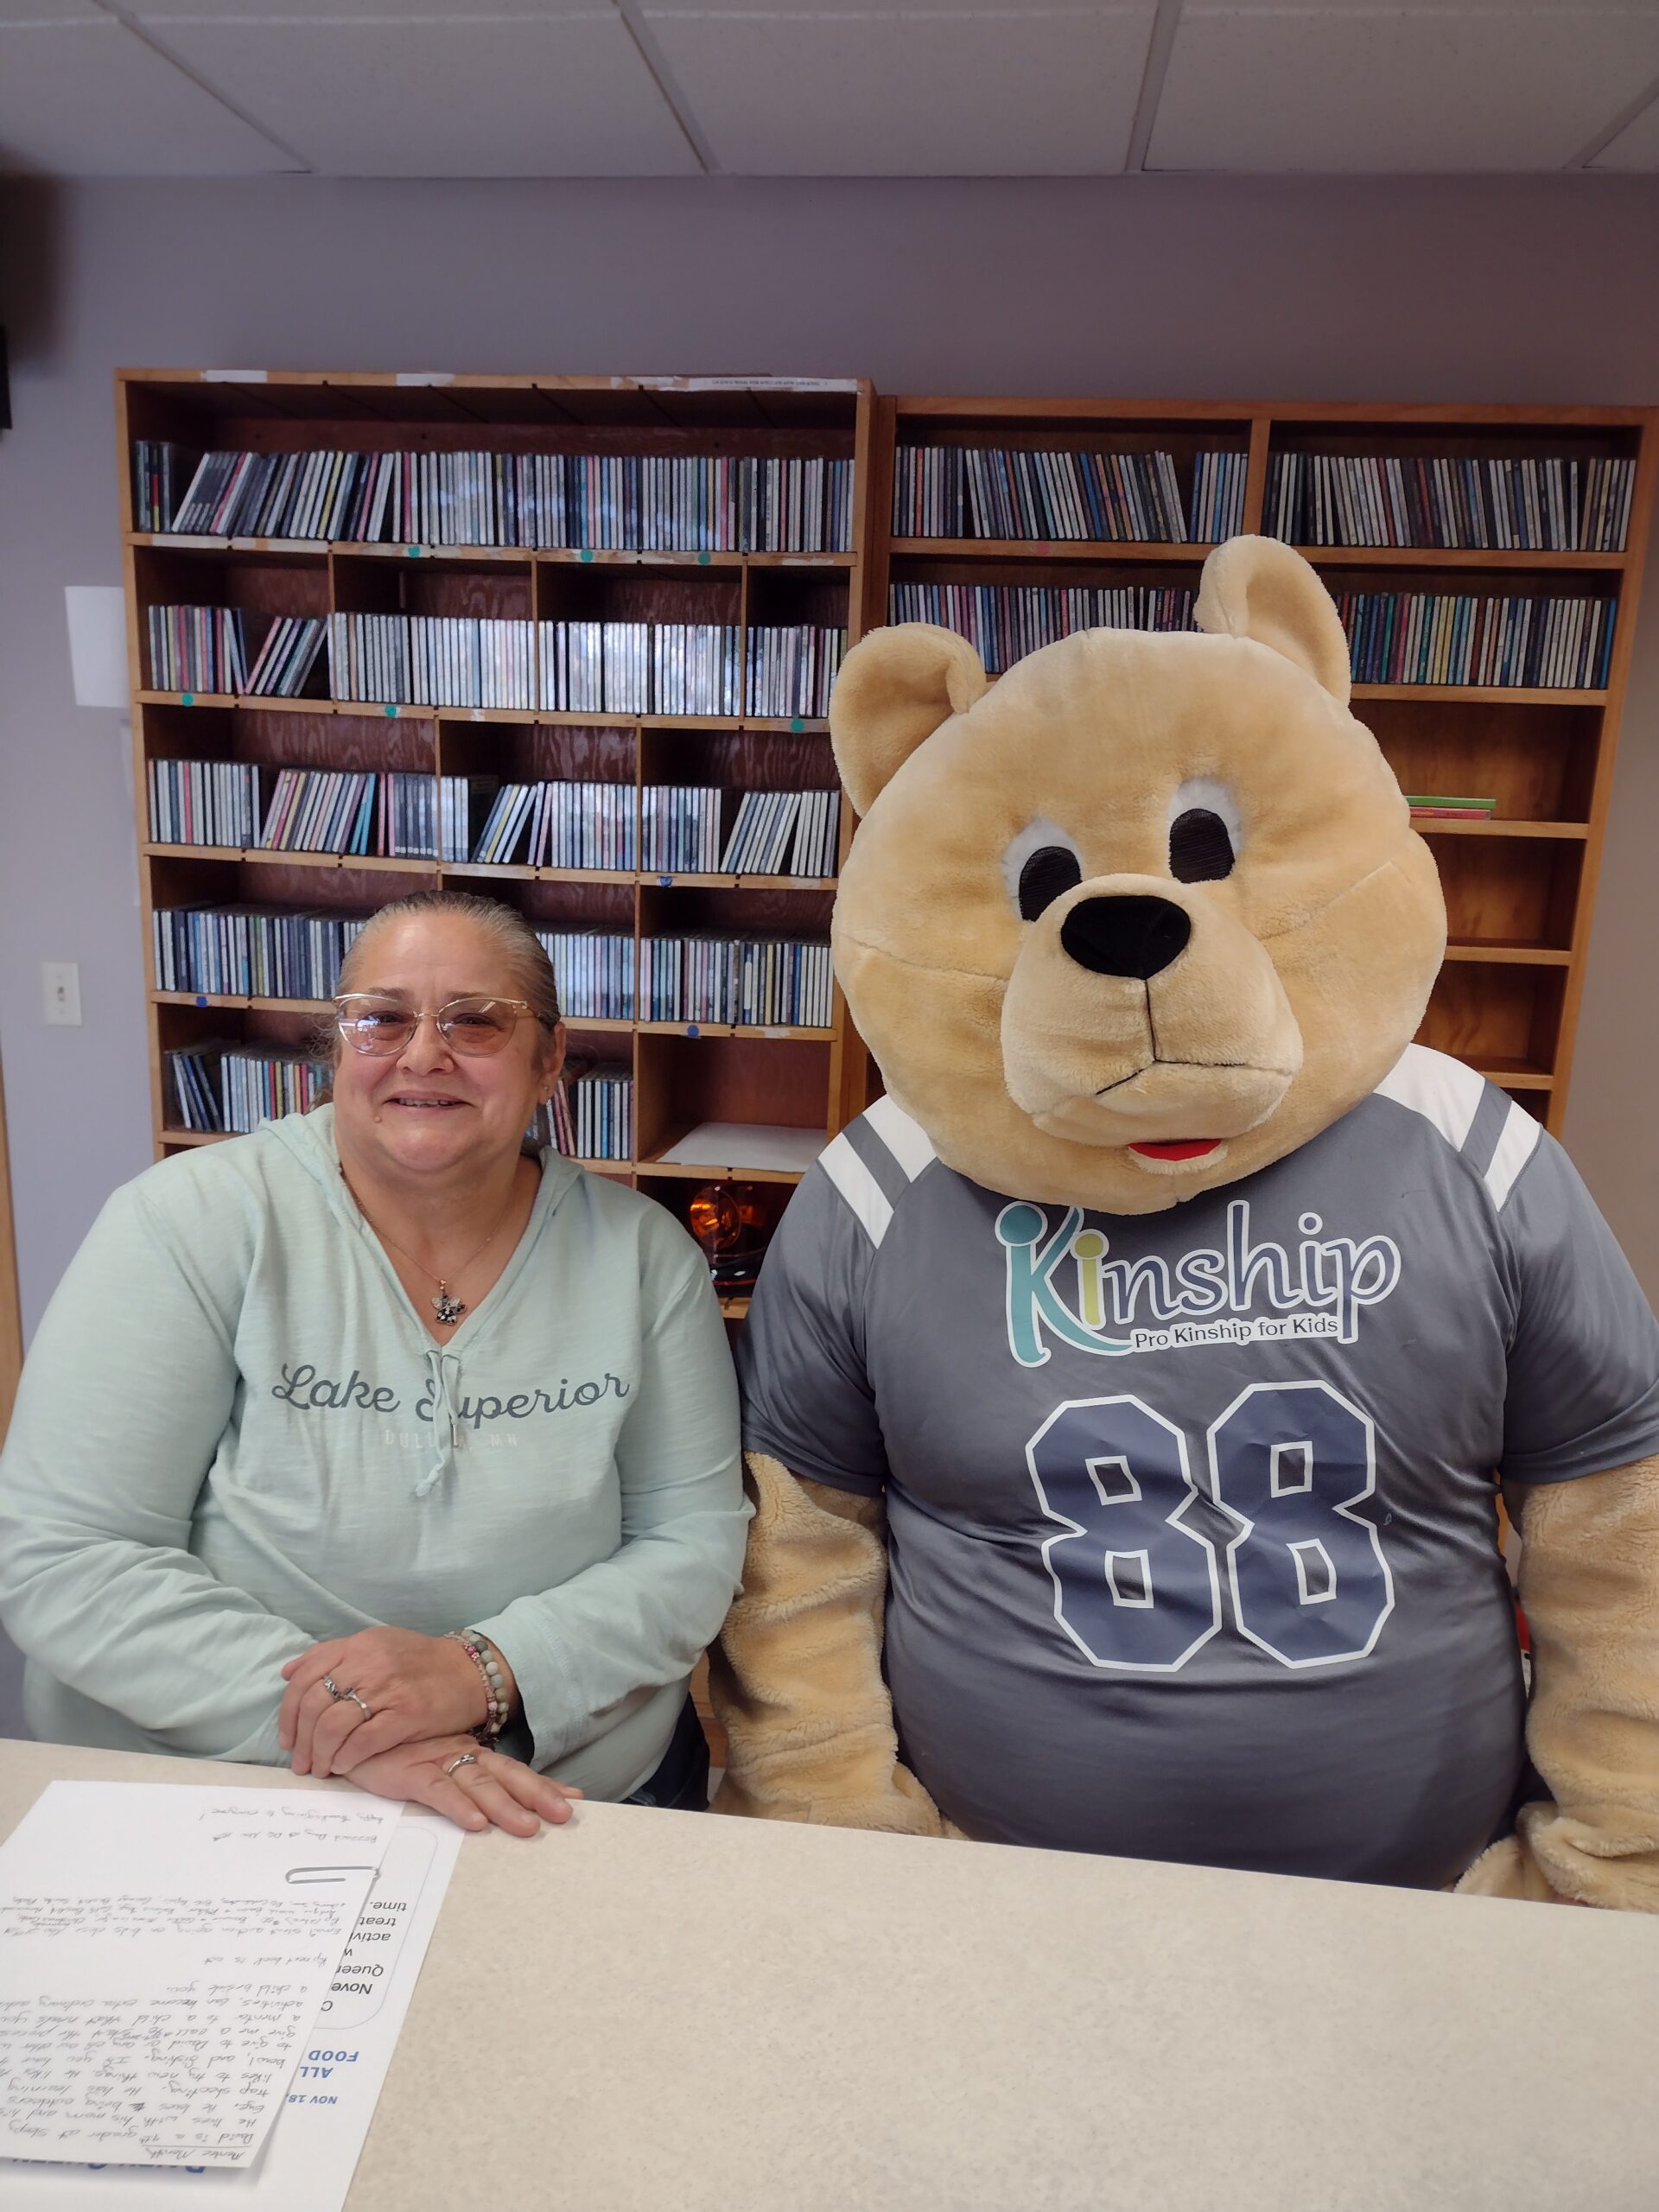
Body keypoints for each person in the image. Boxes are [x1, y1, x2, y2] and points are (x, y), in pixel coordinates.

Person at [0, 890, 747, 1835]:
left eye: (476, 1021)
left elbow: (691, 1546)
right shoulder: (182, 1223)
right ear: (338, 1047)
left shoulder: (644, 1260)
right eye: (383, 1019)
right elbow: (69, 1554)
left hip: (565, 1793)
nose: (423, 1055)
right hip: (226, 1786)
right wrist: (360, 1730)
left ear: (550, 1058)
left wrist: (480, 1671)